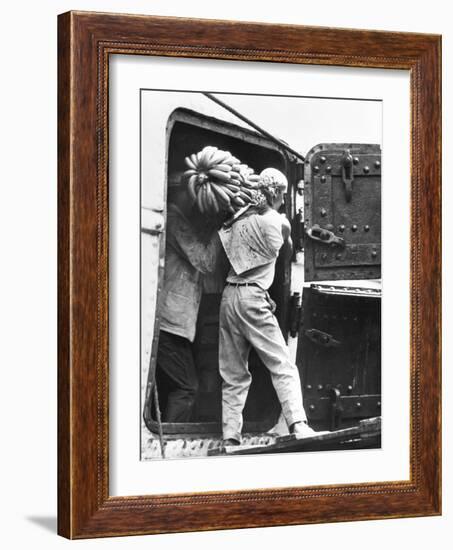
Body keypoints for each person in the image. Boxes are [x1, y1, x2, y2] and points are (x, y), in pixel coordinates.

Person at [217, 168, 315, 445]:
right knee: (281, 363)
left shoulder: (237, 220)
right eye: (283, 194)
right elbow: (289, 244)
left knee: (233, 374)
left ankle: (230, 438)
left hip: (229, 296)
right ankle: (298, 424)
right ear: (274, 193)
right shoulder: (278, 221)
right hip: (252, 300)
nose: (284, 200)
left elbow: (244, 260)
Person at [155, 171, 222, 422]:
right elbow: (205, 261)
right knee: (187, 388)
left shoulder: (179, 221)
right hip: (170, 325)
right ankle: (171, 444)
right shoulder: (175, 221)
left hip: (177, 324)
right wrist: (221, 227)